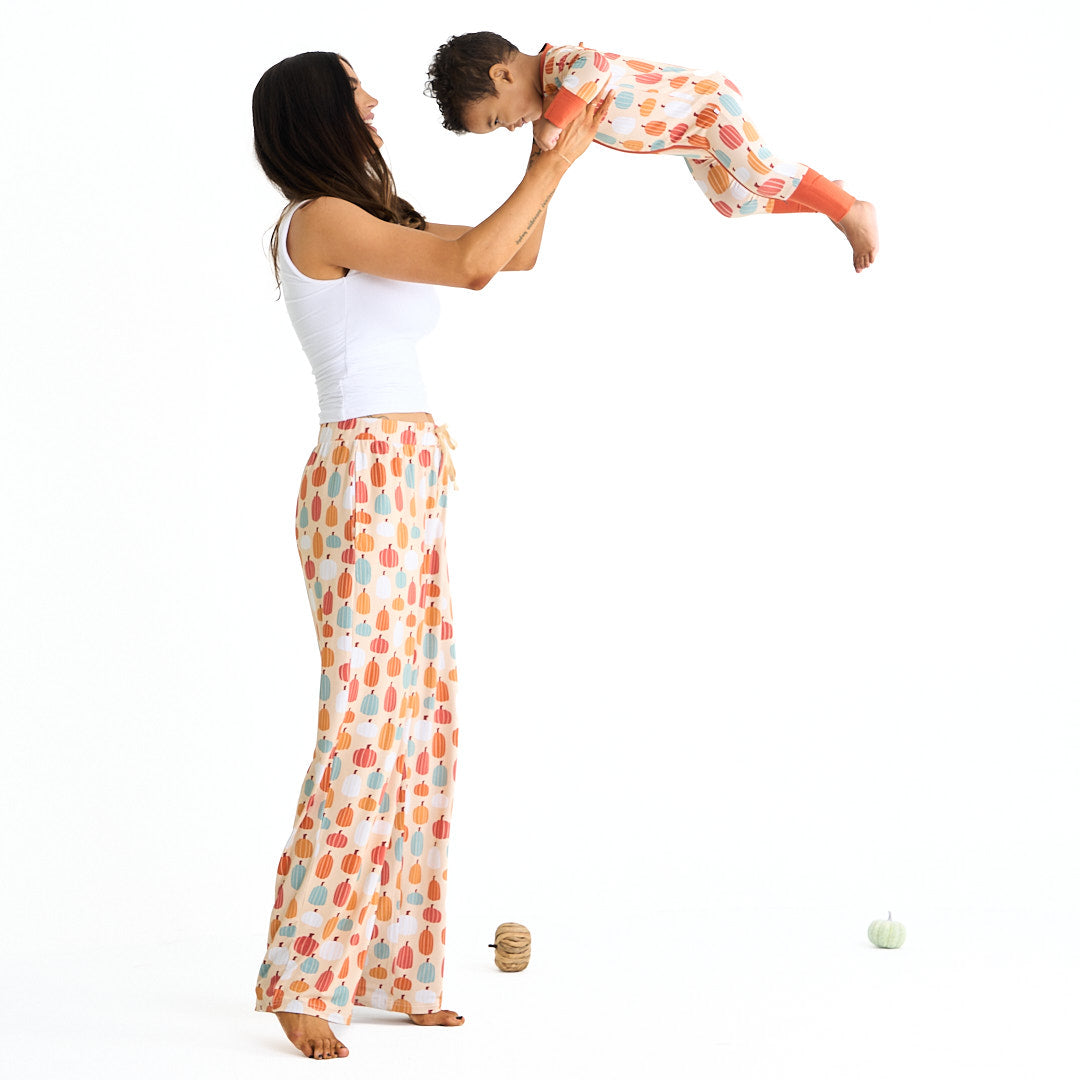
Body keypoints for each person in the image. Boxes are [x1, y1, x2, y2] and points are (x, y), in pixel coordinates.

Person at [250, 50, 614, 1060]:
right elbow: (470, 263)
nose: (375, 103)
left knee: (421, 726)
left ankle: (395, 970)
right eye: (357, 89)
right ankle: (303, 973)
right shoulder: (321, 218)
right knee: (364, 727)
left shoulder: (371, 216)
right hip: (364, 480)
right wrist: (544, 164)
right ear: (319, 112)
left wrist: (553, 156)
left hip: (409, 474)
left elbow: (511, 255)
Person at [427, 32, 879, 273]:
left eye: (496, 119)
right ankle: (824, 200)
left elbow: (597, 66)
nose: (510, 128)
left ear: (503, 76)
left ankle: (850, 210)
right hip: (688, 139)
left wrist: (556, 119)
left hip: (705, 105)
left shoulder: (558, 64)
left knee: (761, 175)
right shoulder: (550, 100)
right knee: (733, 203)